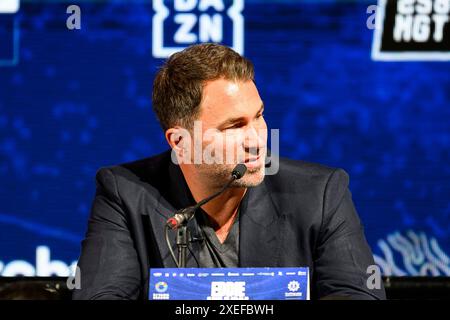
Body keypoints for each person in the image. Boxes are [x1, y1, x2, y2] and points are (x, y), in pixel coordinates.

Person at [73, 43, 386, 300]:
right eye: (234, 126)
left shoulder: (320, 193)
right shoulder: (125, 194)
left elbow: (357, 295)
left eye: (259, 117)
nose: (256, 139)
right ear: (180, 142)